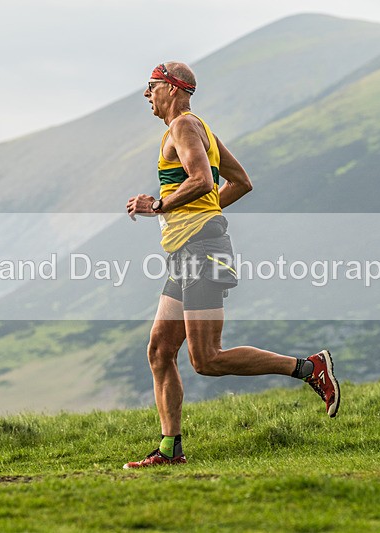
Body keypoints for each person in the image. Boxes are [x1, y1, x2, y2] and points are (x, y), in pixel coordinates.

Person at [123, 62, 339, 469]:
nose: (146, 95)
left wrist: (159, 205)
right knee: (159, 350)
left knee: (207, 359)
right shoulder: (198, 128)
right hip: (189, 250)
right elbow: (240, 182)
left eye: (151, 87)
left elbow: (203, 180)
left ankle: (310, 368)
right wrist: (201, 213)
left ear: (172, 88)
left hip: (201, 249)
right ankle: (171, 450)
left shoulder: (183, 127)